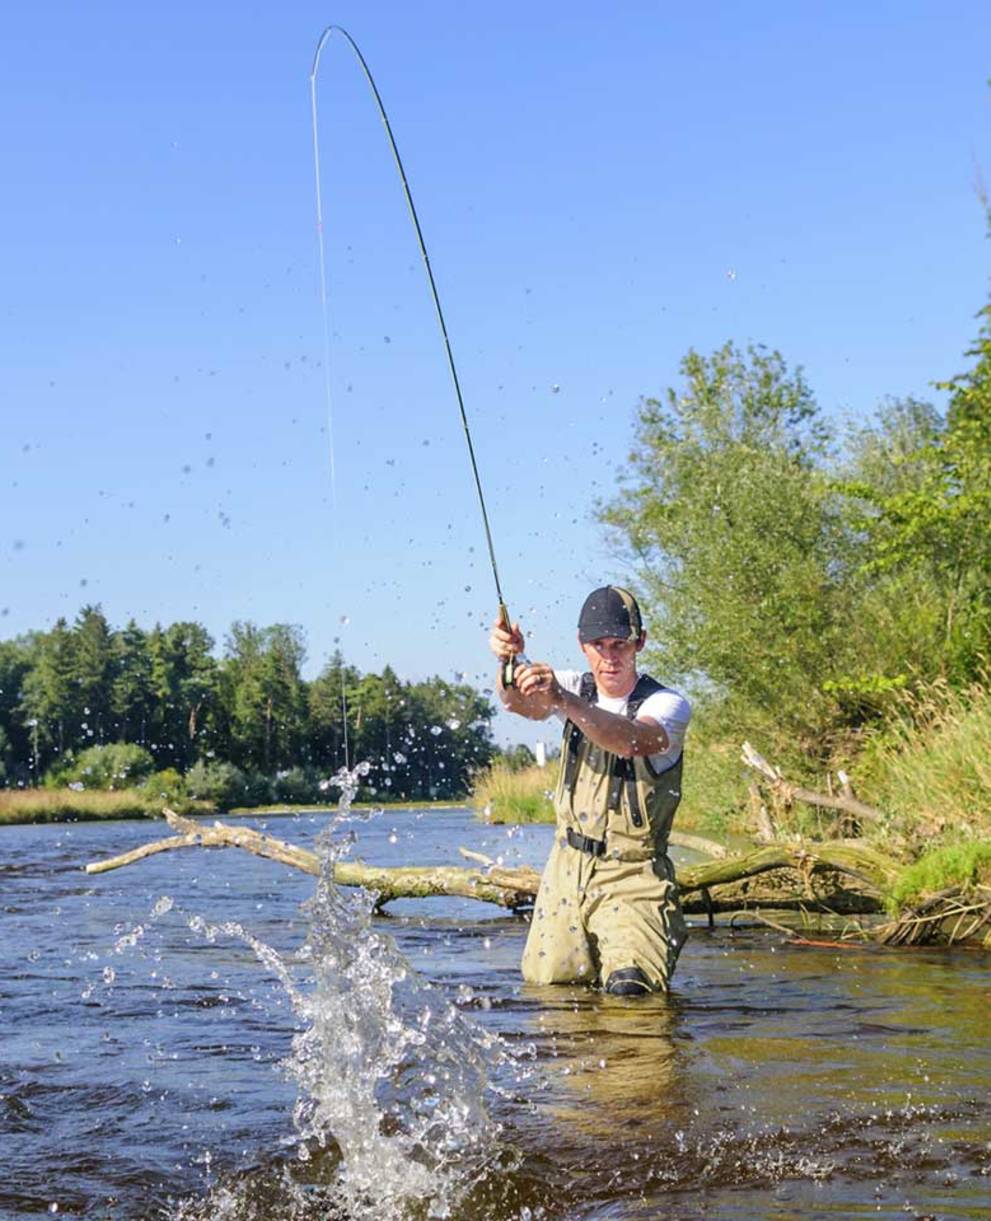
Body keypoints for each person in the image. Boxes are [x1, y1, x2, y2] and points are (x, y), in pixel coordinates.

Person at [489, 586, 691, 996]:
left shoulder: (668, 705)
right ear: (583, 646)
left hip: (634, 873)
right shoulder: (570, 685)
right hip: (565, 869)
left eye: (620, 644)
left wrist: (562, 699)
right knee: (552, 991)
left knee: (632, 990)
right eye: (598, 645)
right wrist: (509, 663)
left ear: (641, 643)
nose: (610, 657)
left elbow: (631, 740)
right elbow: (517, 703)